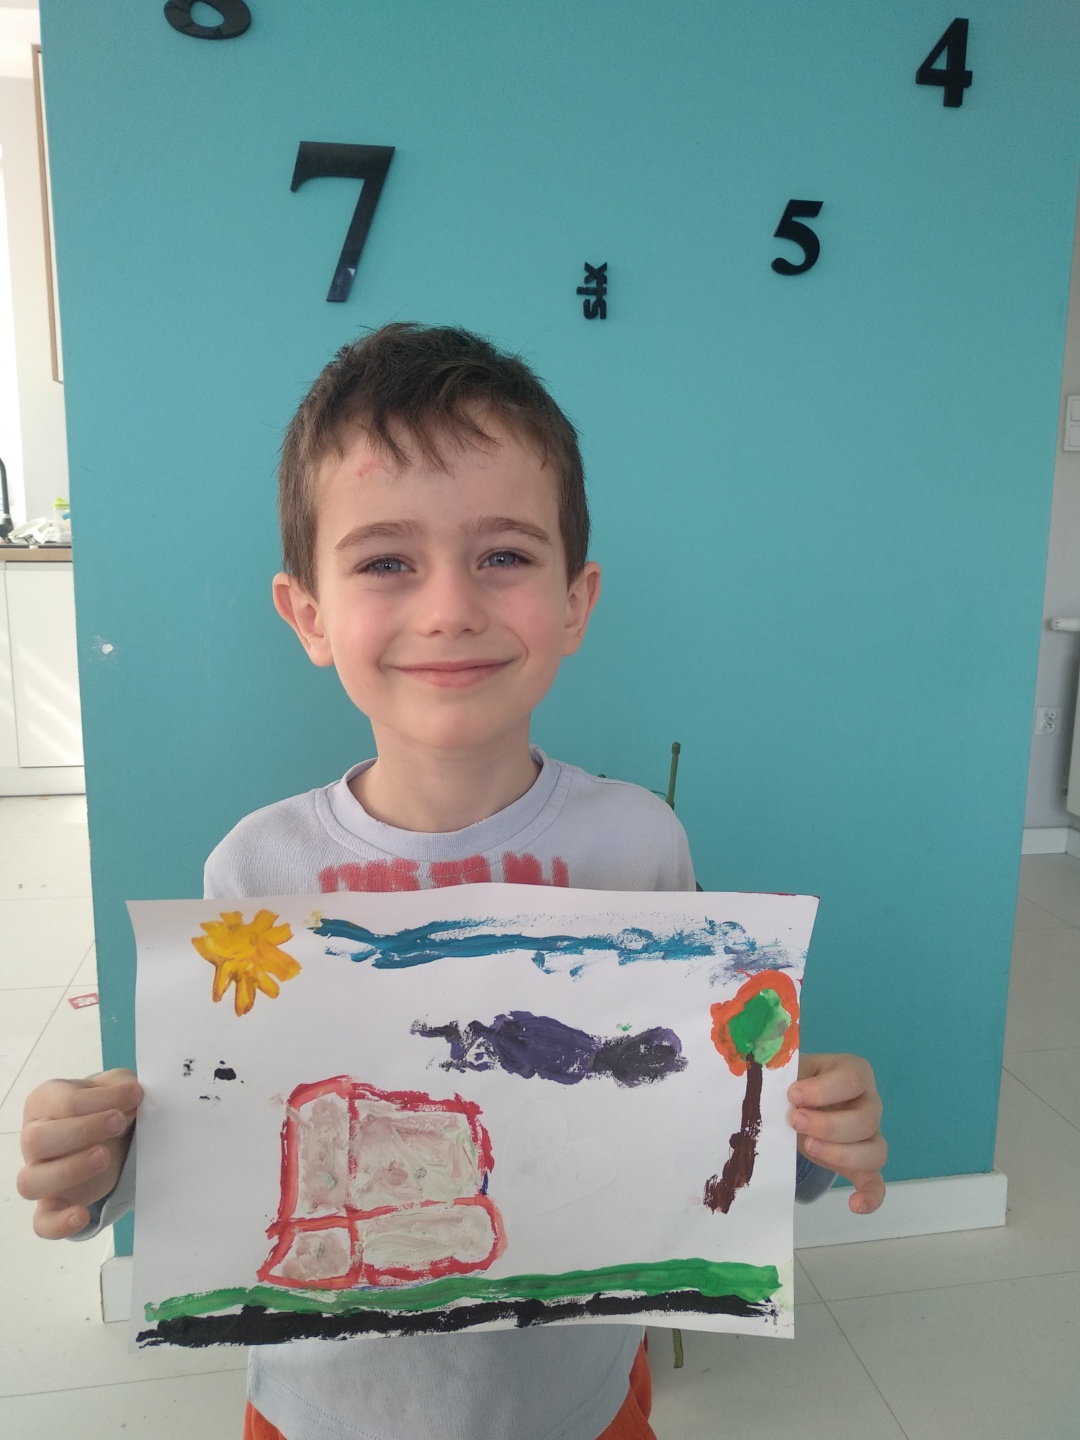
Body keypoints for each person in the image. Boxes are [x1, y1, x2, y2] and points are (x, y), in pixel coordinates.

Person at [17, 324, 887, 1440]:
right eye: (386, 561)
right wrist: (106, 1164)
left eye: (504, 556)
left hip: (581, 1404)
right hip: (321, 1412)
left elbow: (690, 1106)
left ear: (575, 601)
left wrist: (806, 1137)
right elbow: (235, 1134)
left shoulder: (640, 846)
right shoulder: (255, 873)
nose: (448, 609)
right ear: (309, 614)